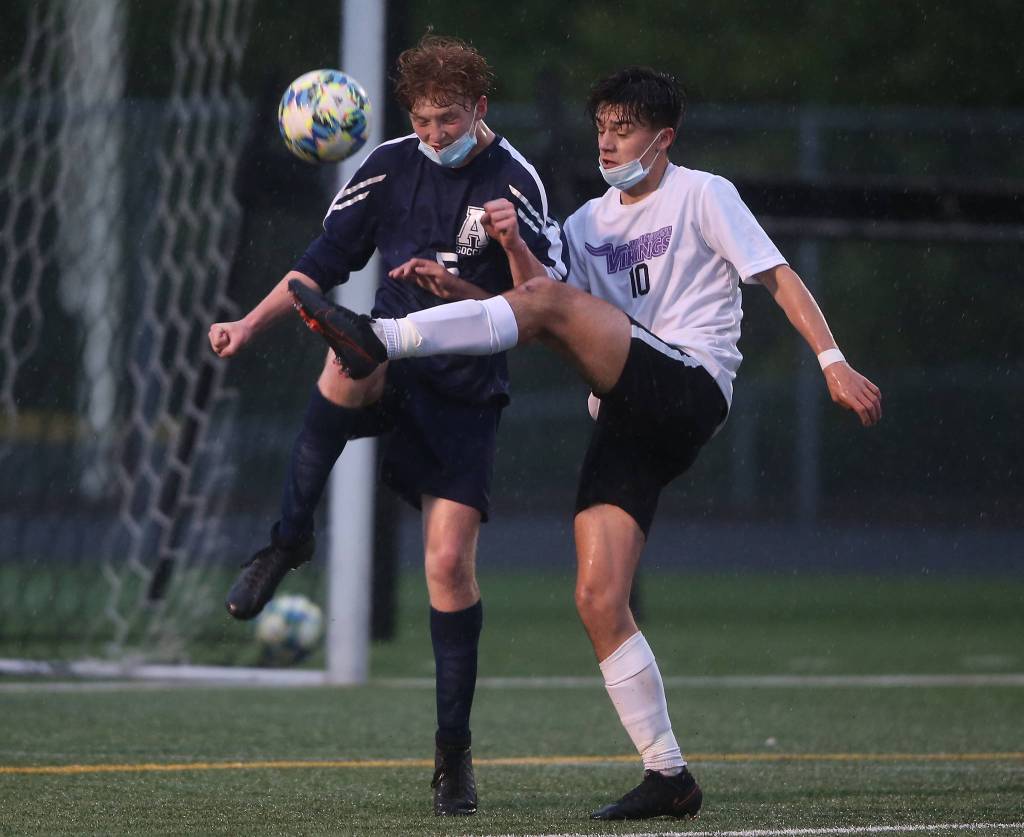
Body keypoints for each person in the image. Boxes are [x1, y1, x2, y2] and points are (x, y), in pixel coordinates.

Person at [288, 65, 883, 821]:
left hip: (689, 384)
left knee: (527, 308)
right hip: (629, 415)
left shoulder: (704, 193)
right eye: (601, 126)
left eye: (625, 129)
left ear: (663, 139)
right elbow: (532, 304)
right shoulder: (586, 225)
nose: (608, 140)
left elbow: (779, 277)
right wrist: (464, 290)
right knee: (598, 597)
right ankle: (669, 774)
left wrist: (833, 361)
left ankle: (379, 336)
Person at [207, 35, 566, 816]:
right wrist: (247, 324)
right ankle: (287, 540)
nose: (435, 134)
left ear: (481, 110)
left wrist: (494, 253)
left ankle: (452, 755)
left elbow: (548, 306)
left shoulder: (516, 181)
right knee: (347, 354)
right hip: (392, 357)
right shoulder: (390, 163)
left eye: (450, 119)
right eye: (424, 118)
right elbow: (315, 266)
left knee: (446, 568)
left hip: (467, 388)